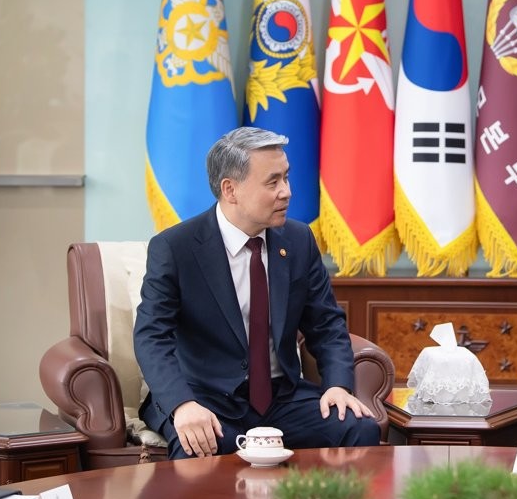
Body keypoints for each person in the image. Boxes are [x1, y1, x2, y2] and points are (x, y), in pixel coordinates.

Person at [134, 127, 380, 458]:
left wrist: (337, 384)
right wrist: (182, 403)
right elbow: (152, 337)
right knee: (199, 446)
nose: (287, 192)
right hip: (205, 396)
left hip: (281, 397)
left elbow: (326, 324)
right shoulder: (176, 248)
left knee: (359, 428)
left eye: (287, 178)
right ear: (230, 189)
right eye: (273, 182)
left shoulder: (297, 240)